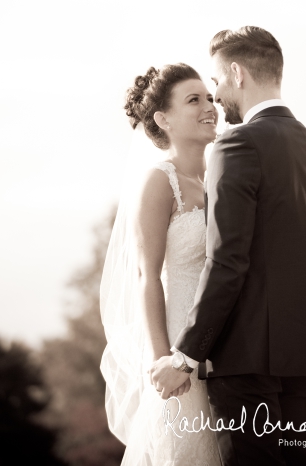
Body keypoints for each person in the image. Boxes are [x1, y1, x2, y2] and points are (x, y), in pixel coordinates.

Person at [149, 27, 306, 465]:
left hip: (248, 359)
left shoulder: (237, 144)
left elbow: (228, 261)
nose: (216, 97)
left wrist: (184, 356)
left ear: (235, 72)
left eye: (215, 83)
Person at [100, 62, 221, 464]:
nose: (210, 106)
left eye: (208, 97)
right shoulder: (159, 181)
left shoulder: (221, 180)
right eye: (194, 100)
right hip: (177, 342)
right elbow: (146, 275)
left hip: (222, 346)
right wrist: (162, 358)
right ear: (162, 119)